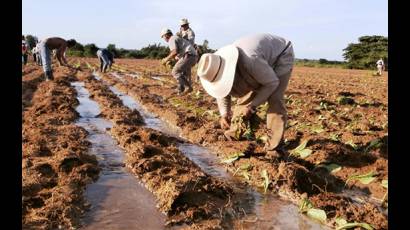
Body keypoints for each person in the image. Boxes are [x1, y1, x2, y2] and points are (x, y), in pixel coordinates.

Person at [196, 34, 294, 158]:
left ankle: (274, 148)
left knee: (275, 100)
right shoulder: (217, 64)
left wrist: (253, 106)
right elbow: (222, 91)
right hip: (258, 60)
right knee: (245, 97)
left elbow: (272, 83)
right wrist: (224, 113)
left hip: (281, 55)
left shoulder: (250, 60)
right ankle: (233, 134)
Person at [160, 28, 197, 95]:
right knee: (182, 73)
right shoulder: (176, 38)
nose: (164, 39)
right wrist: (172, 60)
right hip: (193, 56)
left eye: (163, 37)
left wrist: (166, 59)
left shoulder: (171, 39)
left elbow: (174, 51)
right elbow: (177, 54)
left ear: (166, 35)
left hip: (189, 56)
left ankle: (188, 87)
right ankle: (180, 89)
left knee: (175, 71)